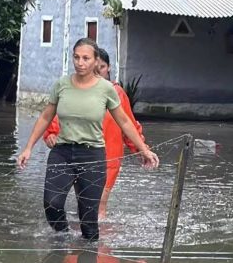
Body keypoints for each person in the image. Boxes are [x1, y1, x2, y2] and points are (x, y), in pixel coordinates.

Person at [16, 38, 158, 241]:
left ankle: (89, 262)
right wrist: (28, 147)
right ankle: (63, 241)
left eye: (85, 58)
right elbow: (47, 117)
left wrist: (143, 149)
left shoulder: (108, 90)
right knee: (52, 204)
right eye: (76, 57)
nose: (80, 63)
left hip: (93, 155)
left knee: (89, 218)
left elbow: (126, 122)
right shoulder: (62, 85)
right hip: (63, 153)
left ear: (96, 62)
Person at [43, 47, 146, 219]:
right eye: (95, 68)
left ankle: (97, 244)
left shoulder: (116, 93)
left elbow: (128, 124)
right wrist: (51, 134)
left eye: (102, 68)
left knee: (97, 207)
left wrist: (141, 149)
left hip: (108, 159)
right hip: (79, 154)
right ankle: (77, 242)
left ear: (109, 68)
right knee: (84, 206)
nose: (98, 72)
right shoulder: (75, 89)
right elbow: (59, 117)